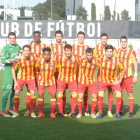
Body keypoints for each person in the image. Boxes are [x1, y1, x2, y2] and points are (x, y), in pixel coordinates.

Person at [96, 45, 126, 119]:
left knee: (119, 95)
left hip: (113, 81)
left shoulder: (117, 60)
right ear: (105, 52)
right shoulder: (100, 58)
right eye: (107, 51)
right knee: (100, 95)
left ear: (113, 52)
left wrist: (119, 80)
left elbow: (124, 69)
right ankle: (100, 112)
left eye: (110, 51)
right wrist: (84, 56)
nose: (109, 53)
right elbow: (91, 58)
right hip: (103, 81)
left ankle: (117, 113)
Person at [93, 33, 117, 117]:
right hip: (101, 76)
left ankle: (109, 111)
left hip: (111, 76)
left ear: (107, 39)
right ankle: (100, 111)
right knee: (100, 94)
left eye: (105, 39)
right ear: (100, 39)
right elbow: (93, 57)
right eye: (102, 38)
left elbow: (116, 58)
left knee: (110, 93)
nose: (104, 40)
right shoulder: (96, 48)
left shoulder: (111, 48)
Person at [11, 45, 39, 118]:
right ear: (23, 51)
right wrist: (15, 82)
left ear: (30, 51)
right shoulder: (18, 58)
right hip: (21, 78)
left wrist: (52, 58)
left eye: (28, 51)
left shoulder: (34, 56)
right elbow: (13, 69)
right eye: (25, 51)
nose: (26, 52)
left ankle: (32, 112)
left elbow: (43, 58)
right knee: (16, 93)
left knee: (33, 93)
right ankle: (16, 112)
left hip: (31, 78)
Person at [24, 31, 47, 117]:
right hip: (31, 73)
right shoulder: (29, 46)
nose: (36, 38)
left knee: (41, 92)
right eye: (35, 36)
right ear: (33, 37)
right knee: (29, 91)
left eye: (38, 36)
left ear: (40, 37)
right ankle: (27, 110)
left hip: (41, 73)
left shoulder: (44, 46)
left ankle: (41, 112)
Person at [0, 32, 22, 117]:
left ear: (15, 39)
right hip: (9, 72)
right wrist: (12, 60)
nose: (12, 40)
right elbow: (2, 61)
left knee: (14, 90)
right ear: (8, 39)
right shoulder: (5, 48)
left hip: (17, 72)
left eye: (14, 38)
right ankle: (2, 110)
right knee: (7, 91)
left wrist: (20, 55)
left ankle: (10, 108)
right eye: (11, 38)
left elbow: (21, 53)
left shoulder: (17, 46)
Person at [117, 36, 138, 117]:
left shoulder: (131, 51)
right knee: (120, 94)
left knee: (130, 93)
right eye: (122, 41)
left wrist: (135, 75)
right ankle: (121, 111)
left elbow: (135, 63)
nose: (123, 43)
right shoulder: (117, 51)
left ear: (127, 42)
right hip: (120, 77)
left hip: (129, 76)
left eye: (124, 41)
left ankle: (131, 112)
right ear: (120, 43)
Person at [56, 44, 78, 118]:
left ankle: (73, 112)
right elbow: (51, 59)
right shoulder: (60, 57)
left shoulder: (75, 58)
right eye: (67, 51)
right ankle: (61, 112)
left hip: (72, 79)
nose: (68, 52)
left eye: (69, 50)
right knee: (60, 94)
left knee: (74, 95)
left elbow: (84, 60)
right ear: (64, 51)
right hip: (62, 79)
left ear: (72, 51)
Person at [49, 30, 67, 116]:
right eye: (57, 36)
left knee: (62, 92)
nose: (59, 37)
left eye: (60, 36)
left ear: (62, 37)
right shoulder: (51, 46)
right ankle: (55, 110)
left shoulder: (65, 46)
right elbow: (47, 56)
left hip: (63, 72)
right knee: (54, 92)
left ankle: (63, 110)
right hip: (53, 72)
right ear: (54, 37)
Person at [72, 31, 91, 116]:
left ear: (84, 38)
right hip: (74, 73)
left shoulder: (88, 47)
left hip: (85, 74)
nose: (81, 39)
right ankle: (73, 110)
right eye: (79, 37)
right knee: (74, 92)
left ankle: (86, 110)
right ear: (77, 38)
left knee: (85, 92)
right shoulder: (72, 47)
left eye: (82, 37)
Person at [77, 48, 99, 118]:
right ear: (86, 55)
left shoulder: (96, 61)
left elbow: (104, 62)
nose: (89, 56)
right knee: (80, 97)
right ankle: (80, 113)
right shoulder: (81, 60)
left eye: (90, 55)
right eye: (88, 55)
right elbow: (72, 59)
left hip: (91, 82)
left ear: (93, 55)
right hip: (82, 81)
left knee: (95, 97)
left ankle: (92, 113)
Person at [35, 48, 57, 118]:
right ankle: (41, 113)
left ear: (50, 55)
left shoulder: (54, 61)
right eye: (45, 54)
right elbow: (35, 69)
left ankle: (52, 113)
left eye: (48, 54)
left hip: (51, 80)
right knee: (40, 95)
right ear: (43, 55)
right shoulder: (39, 61)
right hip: (42, 80)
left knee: (53, 95)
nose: (46, 56)